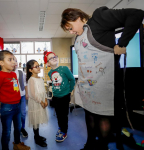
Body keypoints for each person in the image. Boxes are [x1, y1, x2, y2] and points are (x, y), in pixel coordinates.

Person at [61, 6, 144, 150]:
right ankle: (90, 144)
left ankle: (103, 147)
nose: (71, 32)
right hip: (87, 87)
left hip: (104, 84)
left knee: (103, 117)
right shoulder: (78, 36)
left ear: (78, 17)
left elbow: (137, 14)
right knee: (89, 115)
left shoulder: (99, 18)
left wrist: (121, 43)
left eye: (70, 27)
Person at [0, 50, 30, 150]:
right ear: (1, 63)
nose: (13, 62)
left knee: (17, 128)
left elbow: (15, 88)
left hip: (17, 105)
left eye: (14, 60)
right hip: (7, 107)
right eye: (10, 60)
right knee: (6, 132)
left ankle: (17, 144)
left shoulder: (13, 74)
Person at [44, 51, 75, 142]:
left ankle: (64, 132)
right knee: (58, 114)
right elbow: (54, 83)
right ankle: (60, 128)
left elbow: (72, 79)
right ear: (48, 63)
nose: (54, 58)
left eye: (55, 56)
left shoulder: (64, 69)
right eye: (51, 58)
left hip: (65, 96)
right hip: (56, 97)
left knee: (64, 115)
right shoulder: (50, 73)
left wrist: (69, 90)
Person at [26, 59, 48, 147]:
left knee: (38, 119)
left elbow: (44, 90)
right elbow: (32, 94)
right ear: (30, 70)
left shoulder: (40, 78)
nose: (39, 68)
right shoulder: (31, 80)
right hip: (36, 103)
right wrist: (41, 102)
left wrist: (45, 99)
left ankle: (38, 135)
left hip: (42, 101)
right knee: (35, 120)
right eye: (36, 66)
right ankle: (36, 138)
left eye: (39, 66)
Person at [13, 57, 28, 138]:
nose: (15, 63)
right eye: (12, 60)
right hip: (12, 97)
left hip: (21, 95)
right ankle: (17, 129)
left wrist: (27, 93)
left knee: (23, 113)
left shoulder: (21, 72)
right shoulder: (7, 73)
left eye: (16, 61)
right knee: (14, 114)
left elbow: (25, 83)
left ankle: (22, 128)